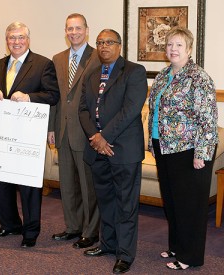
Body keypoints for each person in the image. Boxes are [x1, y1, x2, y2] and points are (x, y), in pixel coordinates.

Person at [148, 26, 218, 270]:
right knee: (172, 202)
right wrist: (152, 142)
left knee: (189, 205)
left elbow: (208, 120)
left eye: (179, 45)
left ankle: (190, 257)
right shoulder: (163, 75)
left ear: (189, 49)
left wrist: (202, 153)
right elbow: (155, 112)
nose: (173, 49)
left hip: (188, 150)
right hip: (164, 146)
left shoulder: (198, 77)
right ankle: (177, 246)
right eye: (169, 45)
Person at [78, 29, 147, 274]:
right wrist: (94, 138)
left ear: (119, 45)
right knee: (105, 200)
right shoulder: (93, 74)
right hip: (97, 149)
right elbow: (83, 110)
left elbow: (130, 110)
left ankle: (125, 254)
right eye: (99, 42)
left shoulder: (134, 71)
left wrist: (104, 136)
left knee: (126, 204)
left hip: (123, 150)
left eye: (109, 42)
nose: (104, 46)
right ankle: (108, 244)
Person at [0, 22, 59, 248]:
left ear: (28, 39)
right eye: (11, 38)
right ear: (6, 40)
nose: (15, 42)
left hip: (28, 134)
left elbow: (52, 95)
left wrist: (29, 97)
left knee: (28, 185)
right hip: (0, 133)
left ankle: (30, 231)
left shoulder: (43, 64)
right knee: (0, 181)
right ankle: (9, 224)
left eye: (20, 37)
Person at [48, 13, 100, 249]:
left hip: (85, 132)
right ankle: (72, 227)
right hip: (62, 129)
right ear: (65, 31)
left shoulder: (98, 57)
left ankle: (91, 231)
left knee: (88, 187)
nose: (74, 32)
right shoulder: (57, 59)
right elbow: (55, 97)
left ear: (86, 30)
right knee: (67, 184)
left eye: (78, 28)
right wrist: (51, 127)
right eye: (70, 29)